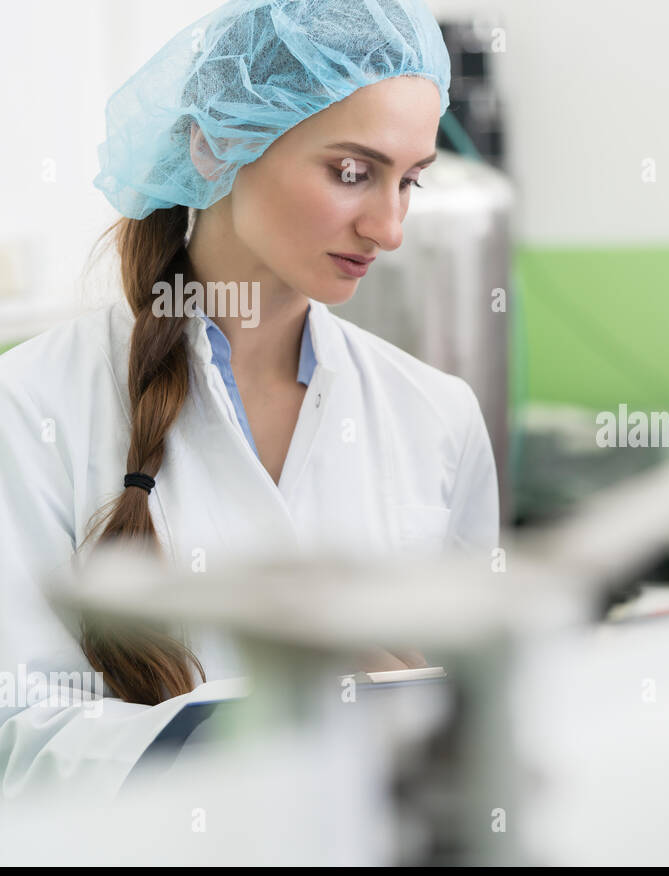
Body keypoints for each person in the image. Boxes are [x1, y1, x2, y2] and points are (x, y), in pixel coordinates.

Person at [0, 0, 498, 800]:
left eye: (410, 180)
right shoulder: (29, 408)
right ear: (217, 142)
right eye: (351, 171)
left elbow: (472, 716)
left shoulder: (435, 415)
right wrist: (290, 721)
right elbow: (16, 741)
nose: (391, 227)